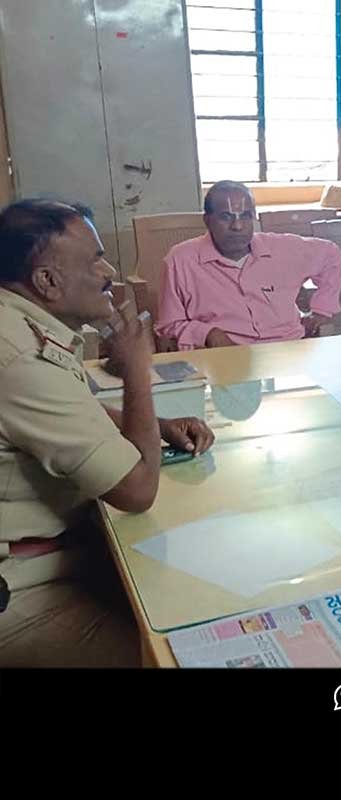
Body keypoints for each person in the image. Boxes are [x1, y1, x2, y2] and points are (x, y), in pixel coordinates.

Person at [0, 199, 214, 666]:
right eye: (95, 258)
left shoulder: (15, 321)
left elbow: (67, 408)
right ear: (47, 281)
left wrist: (154, 426)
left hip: (61, 549)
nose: (109, 271)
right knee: (169, 654)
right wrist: (138, 370)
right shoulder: (19, 357)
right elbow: (137, 491)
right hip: (24, 582)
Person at [156, 180, 341, 349]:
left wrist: (322, 310)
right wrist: (208, 334)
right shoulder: (181, 260)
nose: (237, 226)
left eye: (245, 216)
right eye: (226, 217)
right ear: (207, 221)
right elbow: (168, 325)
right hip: (224, 359)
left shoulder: (283, 248)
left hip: (288, 351)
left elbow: (331, 254)